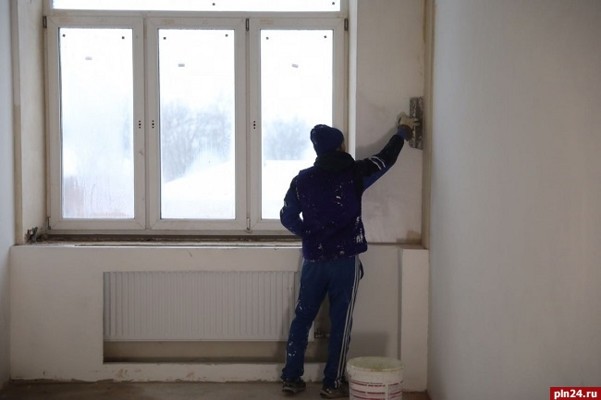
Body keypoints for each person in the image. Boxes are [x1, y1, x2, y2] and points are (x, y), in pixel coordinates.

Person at [279, 114, 416, 399]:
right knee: (341, 322)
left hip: (314, 260)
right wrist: (403, 131)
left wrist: (309, 234)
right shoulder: (354, 173)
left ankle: (291, 378)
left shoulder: (302, 180)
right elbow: (385, 159)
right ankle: (332, 383)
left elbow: (287, 216)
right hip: (345, 262)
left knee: (302, 318)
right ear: (340, 146)